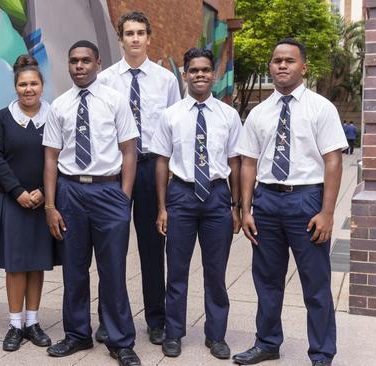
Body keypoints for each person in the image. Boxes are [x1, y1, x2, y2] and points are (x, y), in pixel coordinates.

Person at [233, 38, 346, 366]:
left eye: (289, 61)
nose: (282, 65)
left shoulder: (321, 108)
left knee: (316, 284)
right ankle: (267, 342)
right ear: (270, 66)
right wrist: (246, 208)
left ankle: (322, 353)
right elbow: (249, 162)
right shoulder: (258, 113)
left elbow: (333, 161)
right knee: (267, 280)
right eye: (277, 60)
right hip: (266, 202)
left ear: (303, 67)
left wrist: (326, 212)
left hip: (306, 201)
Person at [43, 40, 141, 366]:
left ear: (98, 63)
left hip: (108, 192)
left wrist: (123, 198)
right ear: (68, 65)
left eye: (86, 60)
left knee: (113, 270)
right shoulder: (58, 106)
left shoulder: (115, 101)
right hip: (70, 193)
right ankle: (77, 335)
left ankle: (120, 340)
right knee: (74, 269)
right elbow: (51, 159)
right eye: (74, 61)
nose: (80, 66)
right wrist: (51, 205)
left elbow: (130, 151)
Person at [151, 48, 241, 360]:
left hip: (217, 196)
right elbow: (161, 162)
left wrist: (237, 206)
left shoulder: (229, 116)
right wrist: (162, 207)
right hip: (181, 196)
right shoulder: (170, 115)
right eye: (194, 70)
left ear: (213, 74)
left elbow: (235, 162)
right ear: (185, 74)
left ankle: (216, 335)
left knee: (216, 273)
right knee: (176, 271)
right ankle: (173, 332)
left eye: (205, 69)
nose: (200, 75)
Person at [98, 11, 181, 345]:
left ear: (149, 38)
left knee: (151, 248)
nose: (134, 39)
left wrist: (171, 173)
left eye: (140, 33)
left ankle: (156, 320)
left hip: (151, 169)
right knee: (110, 249)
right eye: (128, 33)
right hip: (115, 171)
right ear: (120, 38)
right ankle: (109, 317)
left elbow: (176, 126)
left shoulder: (166, 80)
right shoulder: (104, 80)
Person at [0, 55, 60, 352]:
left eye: (33, 83)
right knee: (16, 266)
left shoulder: (54, 115)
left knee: (37, 264)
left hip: (44, 201)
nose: (28, 89)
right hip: (11, 200)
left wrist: (43, 191)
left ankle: (32, 322)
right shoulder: (4, 117)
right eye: (22, 84)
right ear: (15, 87)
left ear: (42, 86)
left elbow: (60, 157)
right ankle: (15, 324)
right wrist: (18, 191)